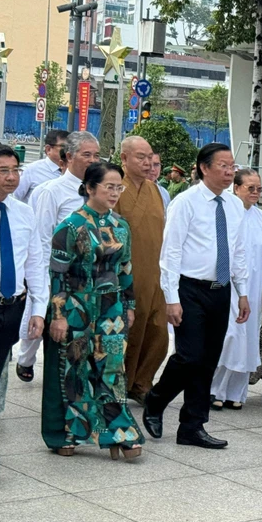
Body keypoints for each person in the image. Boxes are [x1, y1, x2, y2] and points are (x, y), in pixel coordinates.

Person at [143, 143, 250, 450]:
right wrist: (171, 298)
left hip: (221, 289)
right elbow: (171, 252)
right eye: (224, 166)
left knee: (208, 360)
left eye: (233, 167)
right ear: (204, 168)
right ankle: (156, 398)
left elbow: (238, 251)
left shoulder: (232, 205)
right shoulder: (186, 202)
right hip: (189, 289)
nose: (230, 172)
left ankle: (192, 425)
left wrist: (242, 292)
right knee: (189, 355)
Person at [42, 161, 144, 459]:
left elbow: (126, 269)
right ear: (89, 188)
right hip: (75, 307)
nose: (115, 193)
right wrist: (58, 316)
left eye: (118, 187)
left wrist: (130, 305)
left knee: (111, 368)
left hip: (111, 308)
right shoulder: (70, 227)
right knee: (73, 370)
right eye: (109, 187)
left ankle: (119, 433)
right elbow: (57, 275)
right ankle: (66, 434)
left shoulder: (120, 226)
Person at [0, 145, 47, 481]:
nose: (12, 177)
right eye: (3, 170)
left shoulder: (23, 212)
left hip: (11, 306)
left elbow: (34, 262)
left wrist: (38, 309)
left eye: (15, 169)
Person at [14, 131, 101, 383]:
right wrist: (42, 283)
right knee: (45, 330)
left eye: (97, 155)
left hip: (89, 280)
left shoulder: (98, 191)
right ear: (69, 156)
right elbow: (41, 240)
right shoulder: (50, 192)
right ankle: (26, 360)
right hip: (59, 277)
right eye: (87, 155)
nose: (93, 160)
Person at [115, 136, 169, 403]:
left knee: (158, 330)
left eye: (150, 157)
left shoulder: (156, 190)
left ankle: (142, 382)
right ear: (123, 159)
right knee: (129, 330)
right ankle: (120, 384)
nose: (148, 163)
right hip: (126, 275)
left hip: (156, 274)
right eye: (141, 157)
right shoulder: (115, 189)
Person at [211, 169, 262, 410]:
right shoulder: (226, 212)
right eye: (250, 188)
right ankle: (215, 388)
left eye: (259, 189)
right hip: (230, 284)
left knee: (247, 339)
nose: (255, 193)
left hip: (254, 288)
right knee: (230, 335)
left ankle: (236, 391)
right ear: (236, 188)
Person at [13, 129, 68, 202]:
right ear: (48, 149)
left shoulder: (74, 171)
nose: (69, 151)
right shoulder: (30, 171)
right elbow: (15, 199)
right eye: (64, 147)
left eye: (72, 148)